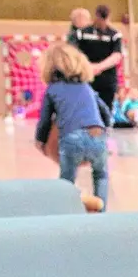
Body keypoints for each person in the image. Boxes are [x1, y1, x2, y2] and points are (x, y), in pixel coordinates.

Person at [34, 44, 111, 211]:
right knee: (101, 174)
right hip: (97, 135)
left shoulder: (52, 89)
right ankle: (102, 212)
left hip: (71, 138)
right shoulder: (86, 87)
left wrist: (39, 140)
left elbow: (45, 120)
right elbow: (105, 112)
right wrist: (106, 131)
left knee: (67, 179)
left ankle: (65, 210)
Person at [68, 5, 125, 115]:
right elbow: (73, 53)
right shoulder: (82, 33)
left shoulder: (114, 35)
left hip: (107, 80)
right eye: (101, 19)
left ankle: (104, 129)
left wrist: (99, 67)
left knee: (105, 111)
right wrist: (88, 66)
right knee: (84, 109)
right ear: (96, 17)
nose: (103, 22)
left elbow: (117, 56)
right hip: (86, 77)